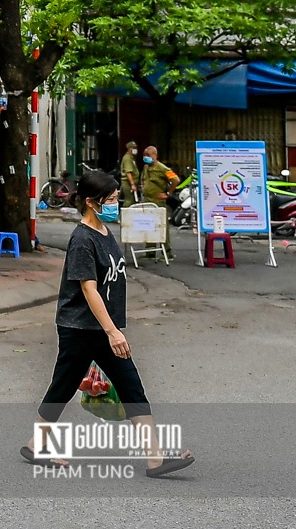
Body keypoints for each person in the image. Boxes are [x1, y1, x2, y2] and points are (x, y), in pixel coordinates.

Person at [22, 169, 194, 477]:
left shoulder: (103, 231)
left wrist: (112, 329)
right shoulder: (82, 239)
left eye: (117, 198)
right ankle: (37, 445)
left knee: (131, 387)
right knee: (62, 387)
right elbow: (89, 288)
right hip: (81, 328)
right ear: (91, 202)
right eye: (111, 199)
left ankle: (155, 459)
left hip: (102, 329)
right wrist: (113, 332)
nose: (116, 203)